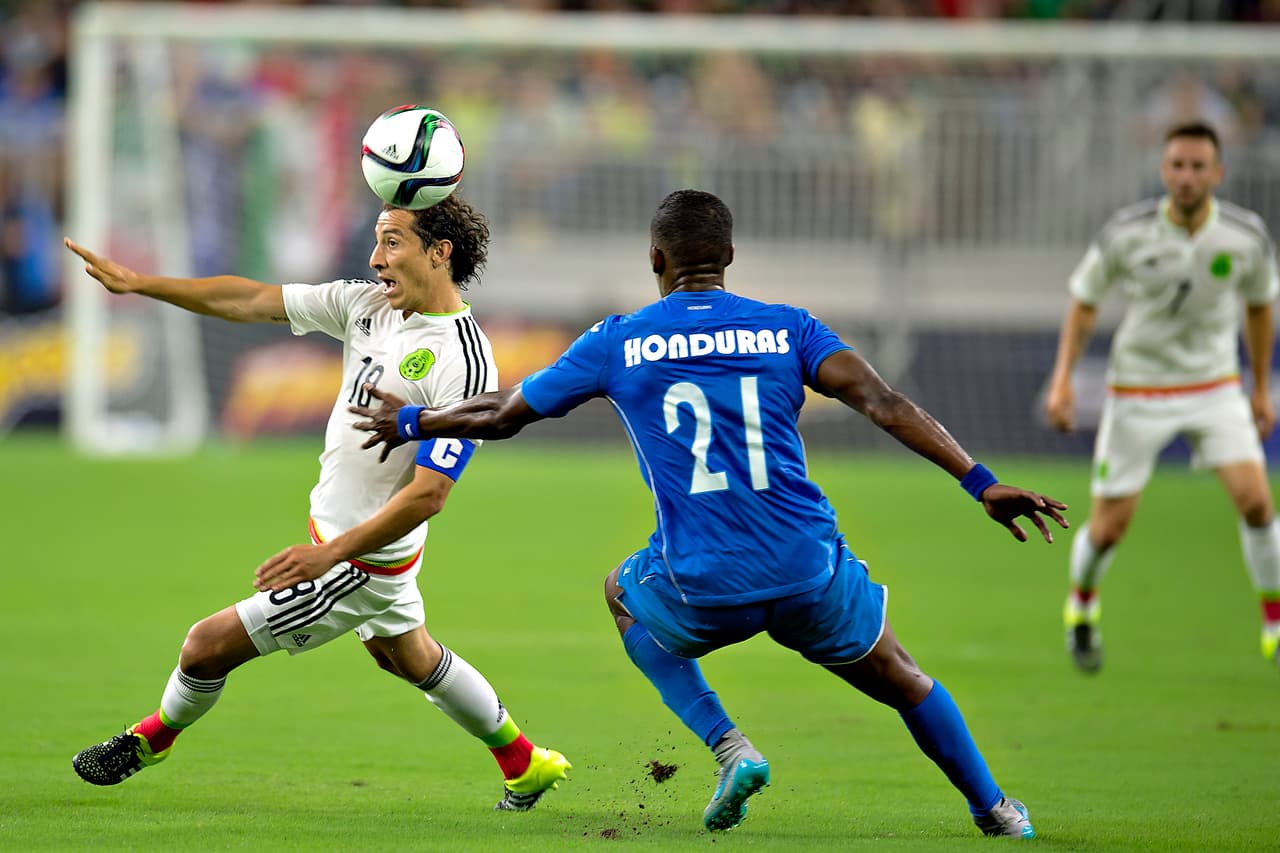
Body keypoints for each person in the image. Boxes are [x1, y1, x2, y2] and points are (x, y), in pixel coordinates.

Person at [350, 188, 1068, 837]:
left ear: (655, 258)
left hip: (701, 582)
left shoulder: (619, 339)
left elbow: (506, 413)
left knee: (620, 594)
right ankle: (997, 810)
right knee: (906, 679)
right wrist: (981, 481)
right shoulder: (789, 328)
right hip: (806, 571)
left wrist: (418, 422)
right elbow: (884, 403)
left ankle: (731, 747)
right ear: (728, 257)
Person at [62, 197, 571, 811]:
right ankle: (524, 763)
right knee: (407, 656)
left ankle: (153, 739)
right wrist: (143, 284)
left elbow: (429, 494)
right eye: (378, 242)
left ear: (440, 254)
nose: (374, 258)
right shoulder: (365, 306)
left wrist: (326, 557)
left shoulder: (464, 362)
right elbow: (250, 300)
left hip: (360, 561)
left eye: (392, 243)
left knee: (204, 646)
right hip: (350, 546)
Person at [1044, 120, 1280, 673]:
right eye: (1178, 165)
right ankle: (1081, 605)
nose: (1187, 177)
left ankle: (1274, 623)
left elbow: (1260, 306)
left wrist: (1261, 386)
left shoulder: (1245, 237)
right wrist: (1062, 381)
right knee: (1108, 529)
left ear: (1218, 173)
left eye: (1199, 166)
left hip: (1215, 386)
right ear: (1163, 170)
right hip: (1139, 389)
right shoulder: (1128, 233)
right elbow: (1084, 302)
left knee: (1257, 502)